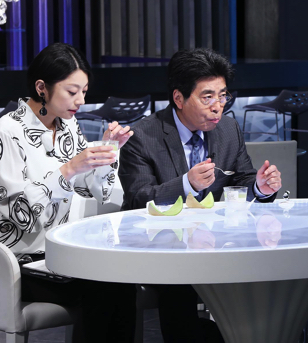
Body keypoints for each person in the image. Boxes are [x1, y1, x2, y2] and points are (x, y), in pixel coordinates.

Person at [119, 47, 282, 343]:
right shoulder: (142, 136)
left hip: (218, 244)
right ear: (179, 98)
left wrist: (260, 187)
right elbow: (138, 199)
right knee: (180, 284)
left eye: (223, 96)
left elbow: (242, 179)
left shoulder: (228, 128)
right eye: (207, 97)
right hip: (162, 249)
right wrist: (187, 185)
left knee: (267, 269)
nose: (218, 106)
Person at [0, 42, 137, 342]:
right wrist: (67, 170)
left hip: (61, 255)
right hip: (17, 262)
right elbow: (18, 213)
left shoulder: (67, 125)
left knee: (120, 280)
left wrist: (107, 153)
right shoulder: (6, 131)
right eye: (72, 91)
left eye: (84, 91)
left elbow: (90, 190)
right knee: (102, 287)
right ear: (42, 87)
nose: (80, 100)